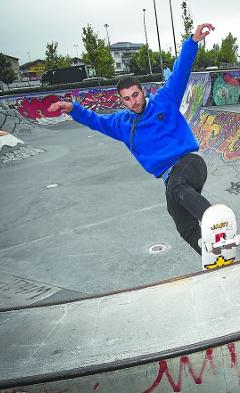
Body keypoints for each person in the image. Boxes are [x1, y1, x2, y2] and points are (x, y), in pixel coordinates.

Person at [48, 23, 216, 255]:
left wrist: (192, 42)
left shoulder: (165, 100)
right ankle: (211, 251)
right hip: (170, 180)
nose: (133, 102)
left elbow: (180, 72)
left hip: (189, 164)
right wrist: (72, 108)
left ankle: (215, 222)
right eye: (127, 99)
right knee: (181, 222)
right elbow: (96, 121)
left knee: (177, 185)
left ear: (143, 92)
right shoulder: (121, 124)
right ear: (122, 101)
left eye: (135, 95)